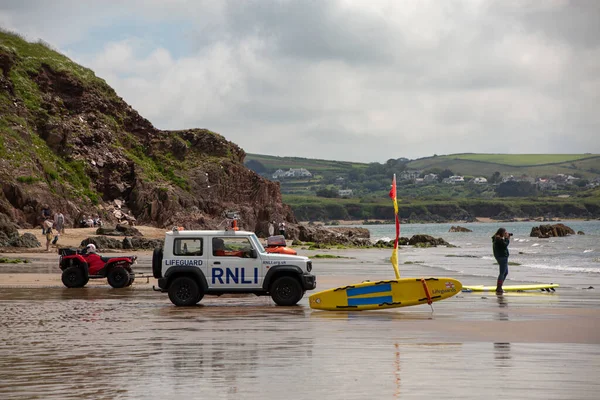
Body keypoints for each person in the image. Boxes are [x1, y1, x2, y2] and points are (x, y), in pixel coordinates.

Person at [492, 227, 511, 294]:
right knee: (502, 273)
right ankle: (499, 288)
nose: (506, 234)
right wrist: (507, 239)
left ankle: (499, 287)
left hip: (500, 257)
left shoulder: (496, 238)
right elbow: (505, 245)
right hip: (502, 257)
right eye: (505, 233)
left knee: (505, 272)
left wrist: (505, 238)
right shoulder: (498, 239)